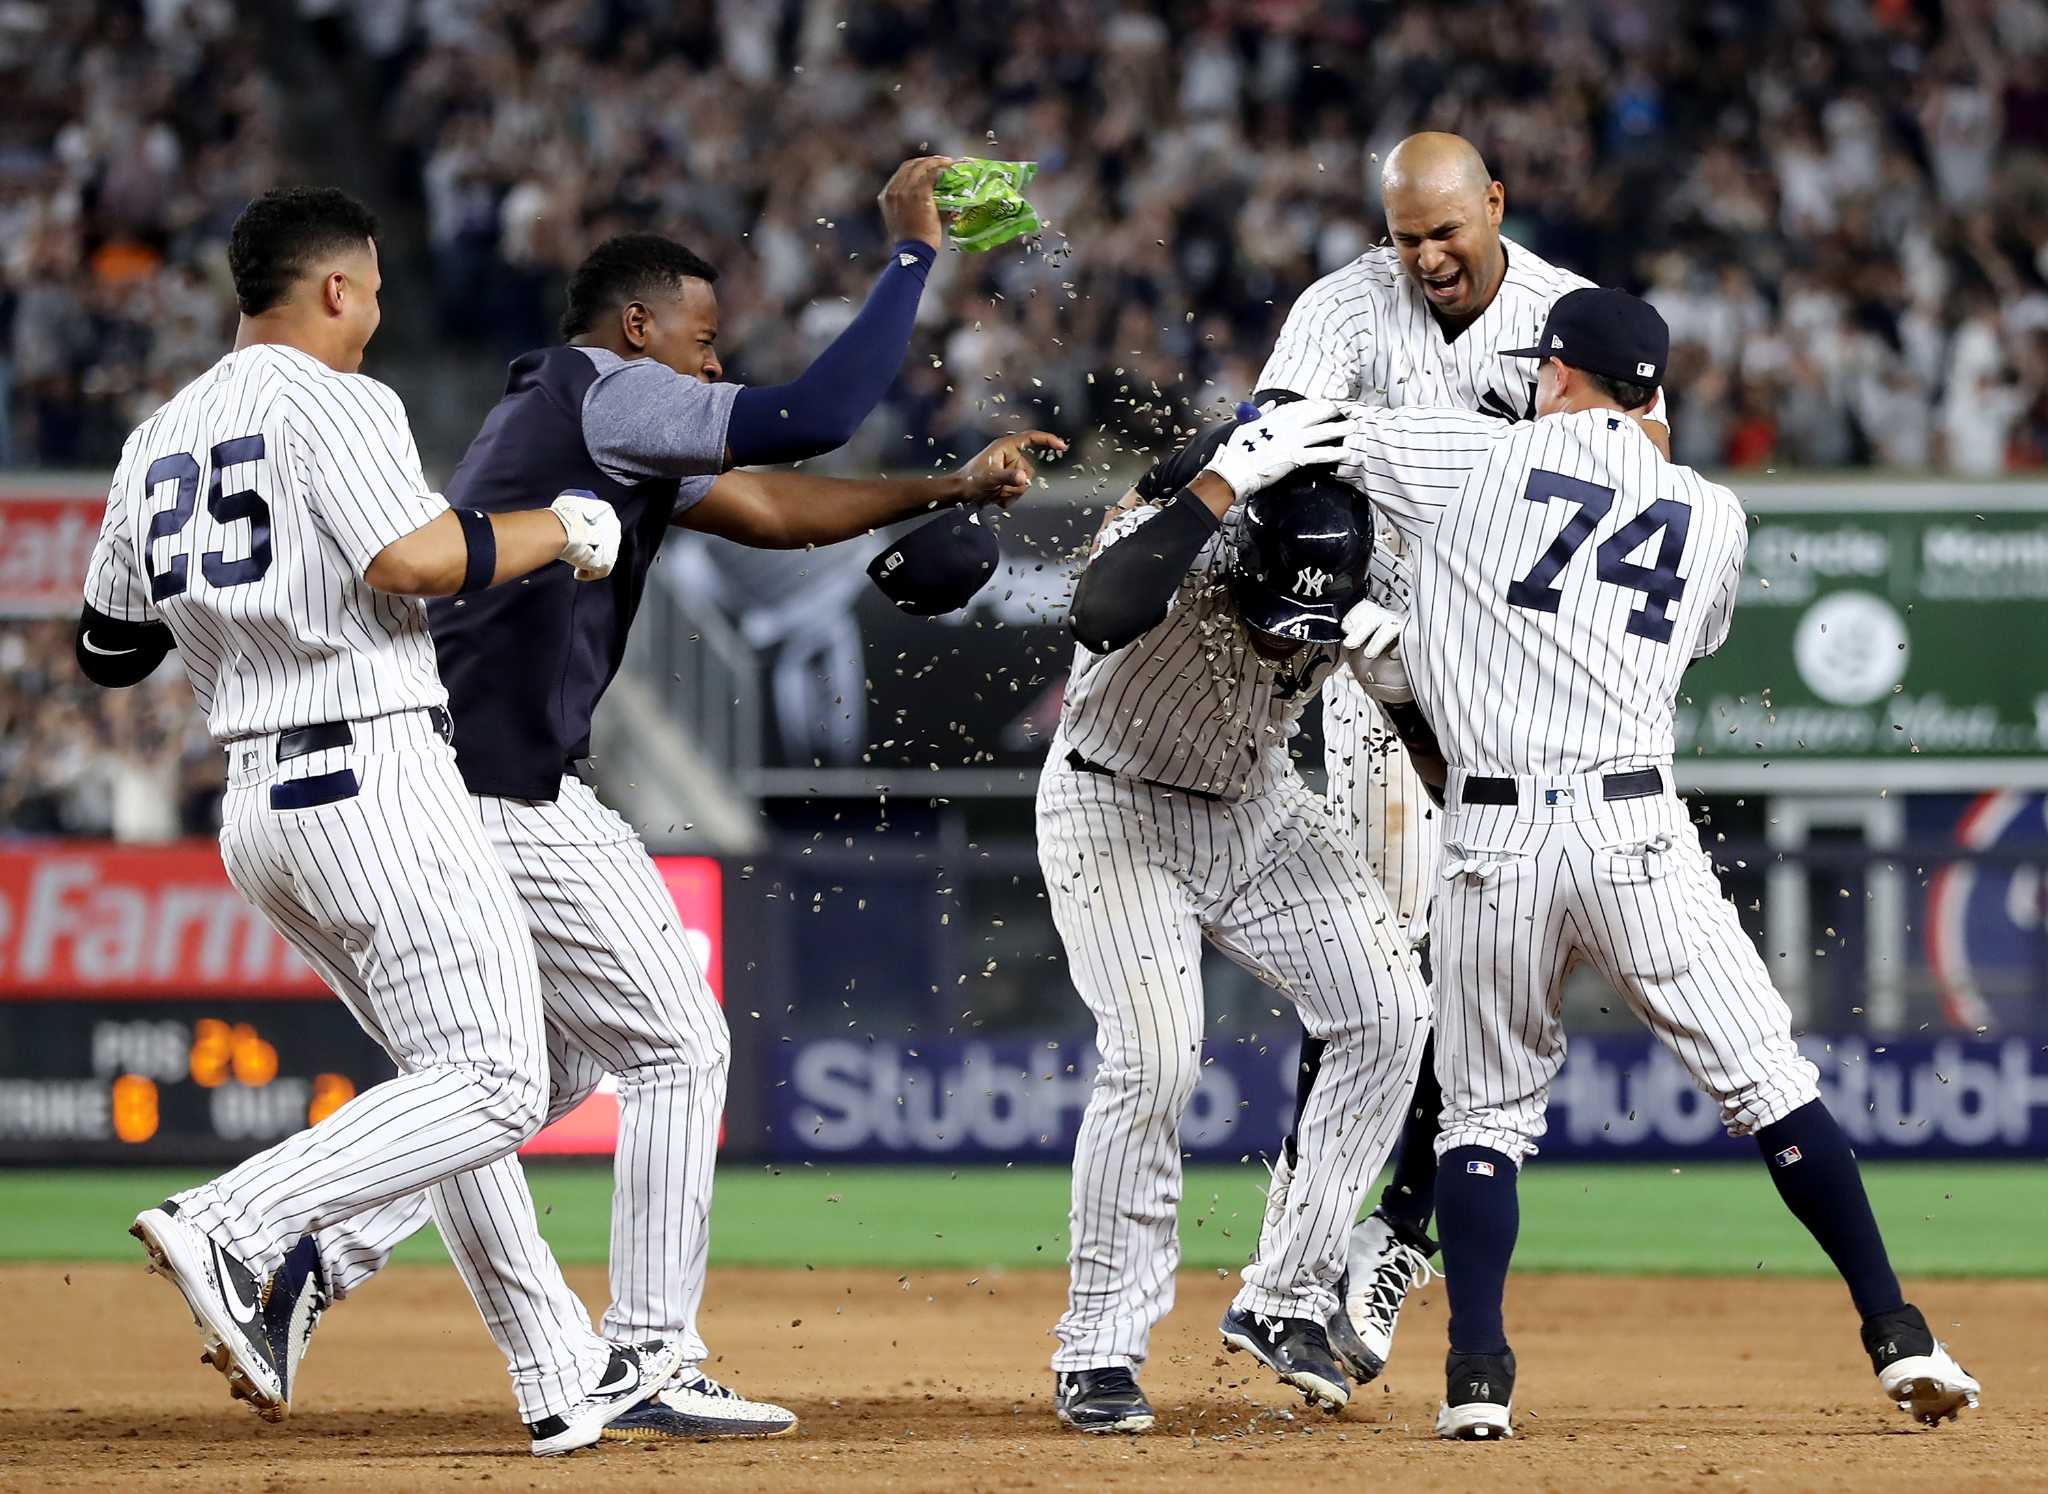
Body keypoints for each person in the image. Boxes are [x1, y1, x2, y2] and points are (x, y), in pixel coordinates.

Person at [278, 169, 1064, 1442]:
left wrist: (945, 488)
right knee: (680, 1049)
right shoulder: (615, 390)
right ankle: (641, 1351)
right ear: (638, 325)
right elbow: (808, 418)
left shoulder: (582, 414)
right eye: (702, 339)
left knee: (551, 1062)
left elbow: (769, 505)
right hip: (499, 783)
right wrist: (912, 257)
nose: (714, 366)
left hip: (477, 771)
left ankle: (327, 1241)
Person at [78, 185, 677, 1457]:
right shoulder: (336, 396)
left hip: (256, 804)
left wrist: (234, 614)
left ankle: (558, 1370)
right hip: (372, 771)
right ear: (336, 288)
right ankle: (236, 1222)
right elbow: (409, 560)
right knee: (498, 1077)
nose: (380, 313)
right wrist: (558, 529)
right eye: (375, 289)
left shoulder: (158, 437)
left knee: (447, 1081)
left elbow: (109, 646)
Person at [1331, 287, 1981, 1440]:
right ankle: (1897, 1335)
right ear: (1653, 392)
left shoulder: (1473, 460)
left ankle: (1476, 1380)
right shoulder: (1711, 511)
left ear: (1556, 371)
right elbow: (1690, 622)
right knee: (1770, 1087)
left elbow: (1319, 433)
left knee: (1481, 1117)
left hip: (1491, 836)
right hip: (1633, 828)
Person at [1253, 131, 1668, 1385]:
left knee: (1477, 968)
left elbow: (1646, 481)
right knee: (1376, 966)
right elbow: (1268, 441)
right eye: (1404, 235)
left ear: (1496, 202)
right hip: (1378, 663)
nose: (1426, 256)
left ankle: (1397, 1233)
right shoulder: (1343, 305)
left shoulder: (1566, 321)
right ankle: (1301, 1255)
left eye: (1447, 229)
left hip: (1516, 680)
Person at [1042, 398, 1429, 1433]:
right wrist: (1216, 479)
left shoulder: (1373, 566)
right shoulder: (1183, 534)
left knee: (1391, 1012)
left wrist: (1402, 690)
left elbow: (1440, 763)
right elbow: (1095, 610)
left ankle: (1287, 1294)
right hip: (1113, 806)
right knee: (1157, 1060)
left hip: (1256, 809)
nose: (1279, 637)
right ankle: (1096, 1350)